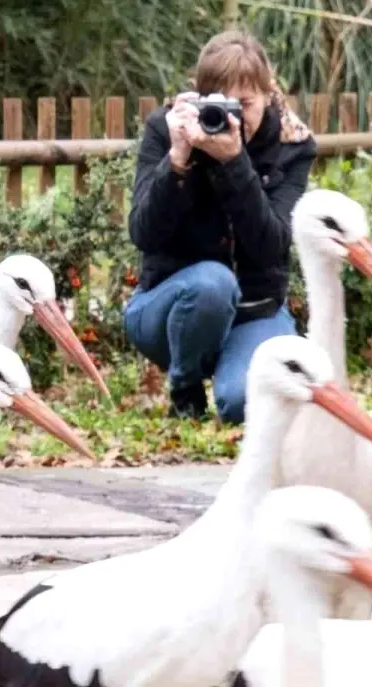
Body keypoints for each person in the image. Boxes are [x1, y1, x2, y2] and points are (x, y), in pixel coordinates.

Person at [123, 29, 317, 422]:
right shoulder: (169, 128)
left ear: (268, 94)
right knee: (212, 283)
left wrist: (235, 164)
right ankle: (185, 389)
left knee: (244, 405)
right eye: (221, 103)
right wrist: (178, 159)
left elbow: (272, 245)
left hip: (255, 311)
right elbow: (143, 233)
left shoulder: (291, 144)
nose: (232, 117)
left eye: (244, 103)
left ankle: (229, 372)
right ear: (201, 97)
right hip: (170, 307)